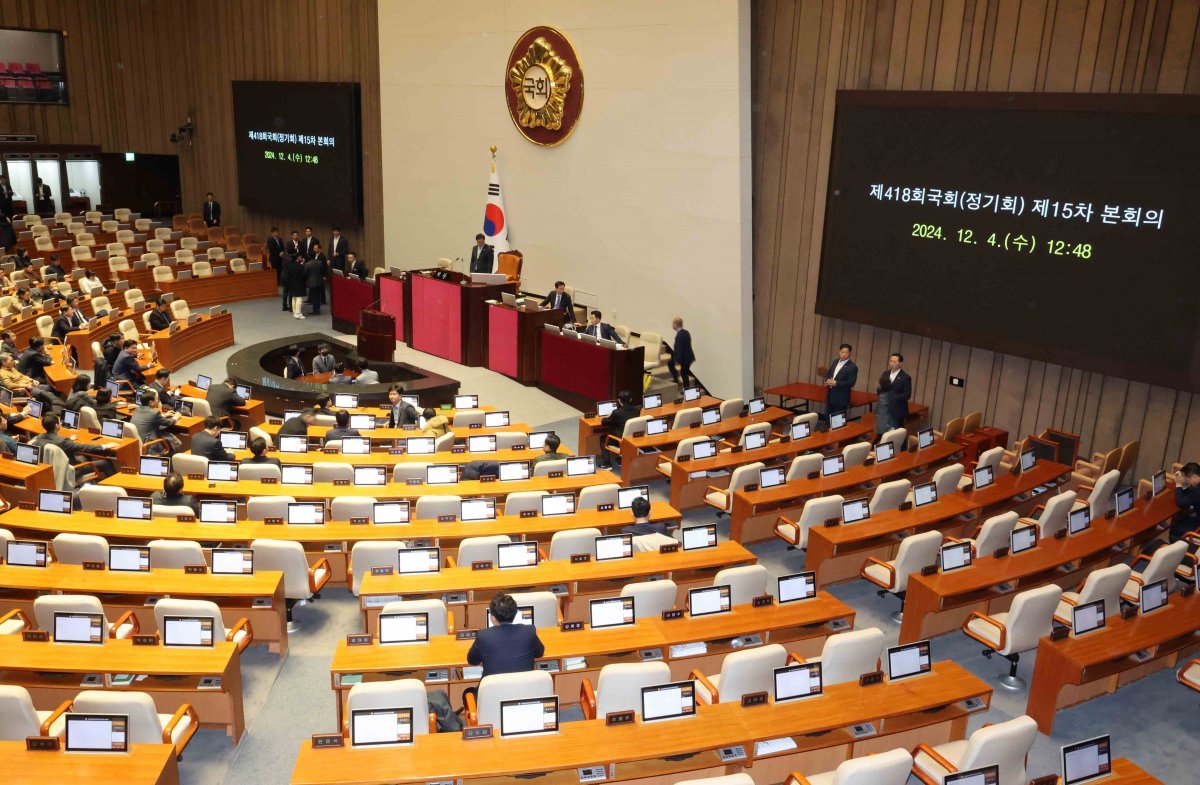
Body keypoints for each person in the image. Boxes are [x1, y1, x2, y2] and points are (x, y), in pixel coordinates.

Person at [466, 593, 545, 678]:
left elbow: (472, 660)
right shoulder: (529, 631)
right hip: (523, 689)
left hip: (493, 690)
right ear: (515, 614)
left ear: (493, 617)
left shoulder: (483, 636)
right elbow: (539, 653)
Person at [31, 413, 116, 478]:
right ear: (56, 426)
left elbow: (59, 443)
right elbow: (84, 447)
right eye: (59, 421)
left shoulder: (39, 438)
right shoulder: (63, 441)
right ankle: (114, 485)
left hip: (54, 470)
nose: (61, 422)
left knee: (84, 457)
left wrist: (70, 440)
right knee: (105, 463)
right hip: (70, 470)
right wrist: (104, 446)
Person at [131, 389, 181, 454]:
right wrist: (176, 417)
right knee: (175, 443)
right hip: (150, 446)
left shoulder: (137, 409)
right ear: (151, 402)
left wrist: (164, 415)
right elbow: (168, 423)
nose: (158, 401)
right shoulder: (153, 413)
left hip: (137, 443)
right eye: (156, 399)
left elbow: (149, 418)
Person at [598, 390, 639, 468]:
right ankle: (621, 458)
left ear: (619, 401)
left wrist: (608, 416)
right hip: (632, 440)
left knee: (603, 438)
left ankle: (607, 464)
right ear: (630, 399)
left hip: (620, 442)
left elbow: (604, 422)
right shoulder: (637, 410)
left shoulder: (617, 412)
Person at [875, 352, 911, 436]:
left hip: (897, 411)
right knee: (883, 434)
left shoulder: (905, 377)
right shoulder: (885, 374)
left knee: (897, 435)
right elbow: (879, 389)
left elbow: (907, 394)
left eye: (895, 362)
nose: (892, 363)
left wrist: (892, 397)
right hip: (884, 410)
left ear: (900, 363)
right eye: (891, 361)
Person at [823, 343, 858, 424]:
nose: (844, 354)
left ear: (850, 354)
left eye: (846, 353)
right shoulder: (835, 361)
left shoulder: (852, 367)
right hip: (830, 395)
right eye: (842, 352)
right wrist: (828, 380)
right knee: (828, 418)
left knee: (837, 422)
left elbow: (851, 382)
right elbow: (829, 373)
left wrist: (836, 383)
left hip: (841, 398)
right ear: (839, 352)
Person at [1170, 463, 1200, 542]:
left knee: (1174, 528)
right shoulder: (1197, 486)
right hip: (1196, 515)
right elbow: (1190, 493)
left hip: (1197, 524)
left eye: (1185, 477)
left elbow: (1181, 503)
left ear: (1193, 477)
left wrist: (1179, 484)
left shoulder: (1198, 491)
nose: (1185, 480)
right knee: (1179, 517)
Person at [666, 317, 695, 388]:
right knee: (671, 363)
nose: (672, 326)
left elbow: (680, 349)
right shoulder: (686, 332)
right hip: (689, 357)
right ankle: (677, 380)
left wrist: (677, 360)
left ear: (675, 325)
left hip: (685, 358)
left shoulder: (679, 336)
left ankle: (686, 389)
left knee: (684, 374)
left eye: (673, 324)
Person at [282, 252, 307, 319]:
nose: (301, 258)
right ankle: (298, 313)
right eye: (300, 257)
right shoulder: (299, 266)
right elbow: (303, 275)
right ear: (298, 257)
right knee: (299, 298)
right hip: (298, 283)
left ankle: (294, 311)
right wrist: (302, 266)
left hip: (291, 283)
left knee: (293, 297)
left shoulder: (289, 265)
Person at [303, 243, 326, 315]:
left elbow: (305, 274)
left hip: (312, 282)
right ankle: (317, 309)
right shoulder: (320, 262)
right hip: (319, 281)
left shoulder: (307, 264)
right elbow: (322, 270)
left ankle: (315, 311)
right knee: (317, 296)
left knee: (314, 297)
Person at [267, 227, 285, 303]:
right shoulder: (270, 239)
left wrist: (282, 252)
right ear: (272, 233)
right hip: (274, 258)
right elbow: (271, 249)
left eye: (277, 232)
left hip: (280, 258)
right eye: (275, 232)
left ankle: (280, 282)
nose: (276, 233)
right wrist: (279, 253)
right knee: (275, 271)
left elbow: (283, 247)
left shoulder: (280, 239)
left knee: (280, 270)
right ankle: (276, 283)